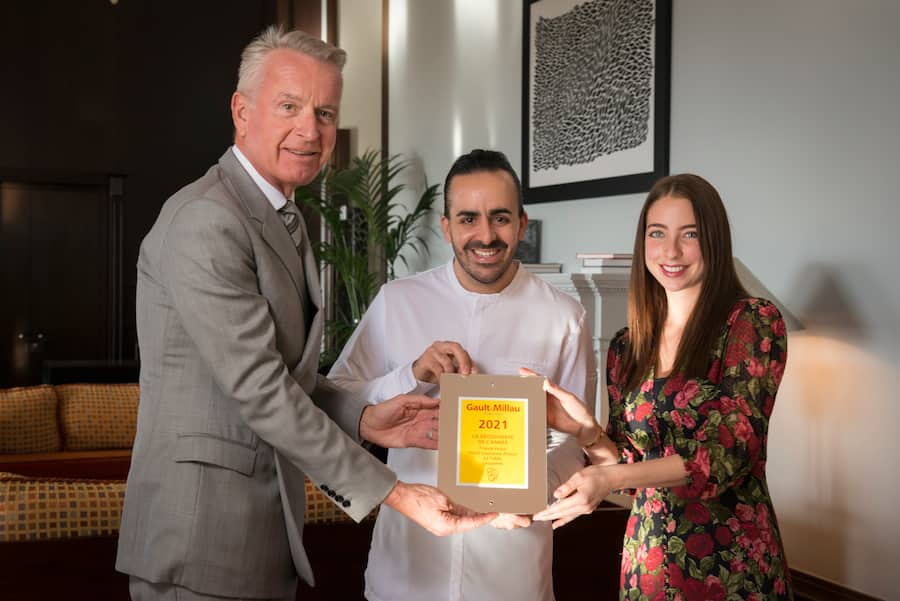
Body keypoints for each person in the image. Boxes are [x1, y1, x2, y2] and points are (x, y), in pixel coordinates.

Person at [115, 27, 494, 601]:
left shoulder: (280, 214)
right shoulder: (206, 220)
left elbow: (288, 375)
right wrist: (394, 492)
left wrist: (367, 419)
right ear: (241, 112)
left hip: (254, 540)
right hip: (199, 544)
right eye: (289, 107)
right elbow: (262, 390)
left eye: (325, 113)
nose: (310, 130)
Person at [328, 149, 597, 601]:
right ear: (446, 226)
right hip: (406, 574)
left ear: (522, 224)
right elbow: (337, 401)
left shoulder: (565, 317)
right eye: (468, 218)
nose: (485, 235)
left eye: (500, 218)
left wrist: (531, 491)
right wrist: (411, 374)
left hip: (511, 577)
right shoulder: (397, 301)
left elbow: (575, 439)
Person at [531, 174, 793, 600]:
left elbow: (729, 453)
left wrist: (610, 476)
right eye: (657, 233)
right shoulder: (627, 345)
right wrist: (585, 431)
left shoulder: (751, 322)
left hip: (733, 566)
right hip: (647, 561)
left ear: (714, 240)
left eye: (689, 234)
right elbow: (630, 471)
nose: (671, 251)